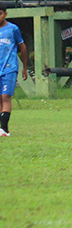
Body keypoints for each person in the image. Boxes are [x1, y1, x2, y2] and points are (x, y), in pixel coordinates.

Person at [0, 7, 29, 137]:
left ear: (5, 14)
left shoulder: (13, 29)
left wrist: (24, 67)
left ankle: (4, 129)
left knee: (5, 97)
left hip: (9, 68)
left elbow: (22, 47)